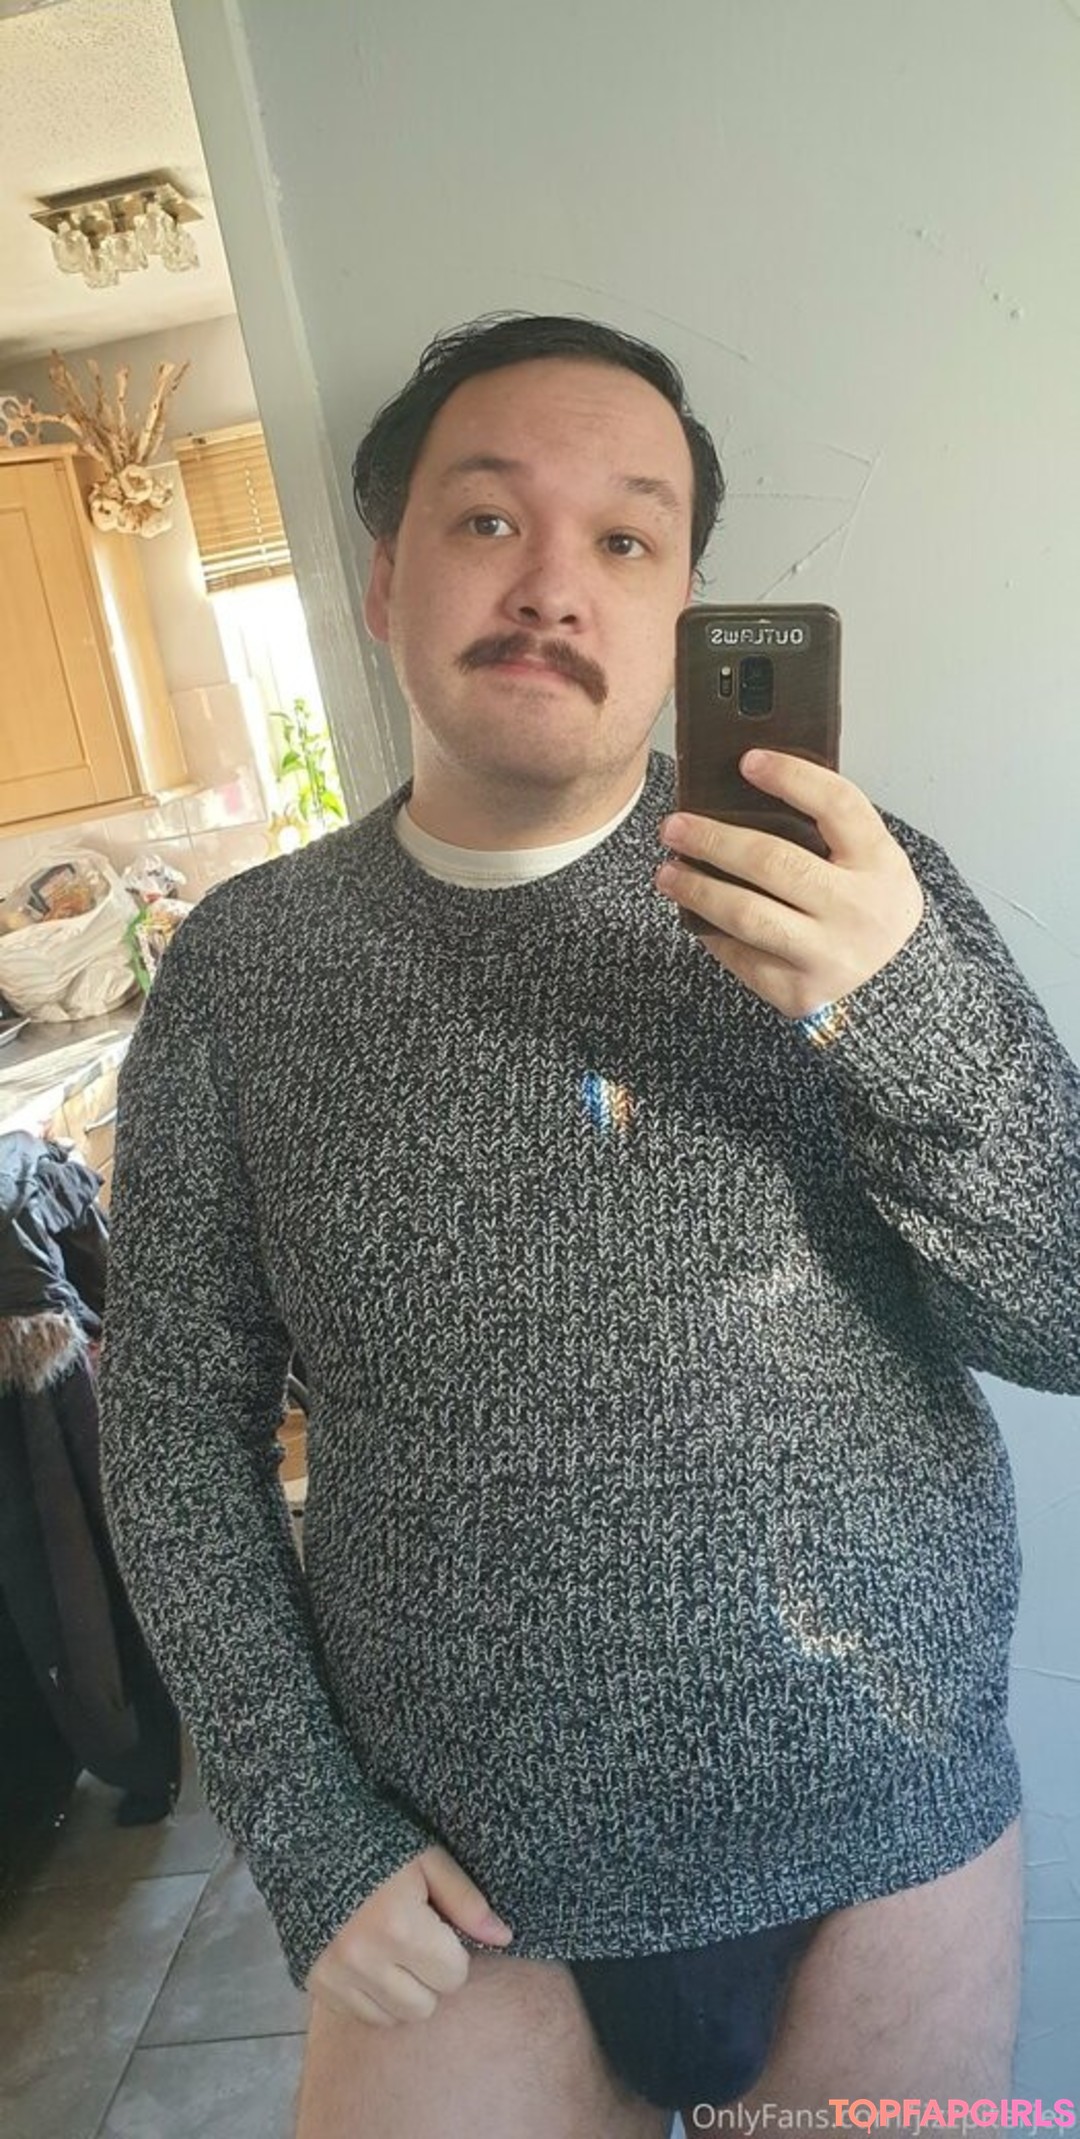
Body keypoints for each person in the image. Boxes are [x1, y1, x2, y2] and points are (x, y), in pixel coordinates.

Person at [97, 312, 1079, 2139]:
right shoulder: (246, 970)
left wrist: (895, 1007)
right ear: (383, 581)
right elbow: (167, 1428)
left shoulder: (863, 895)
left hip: (888, 1839)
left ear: (686, 609)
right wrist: (306, 1834)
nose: (554, 583)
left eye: (626, 538)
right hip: (463, 1888)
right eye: (488, 520)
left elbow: (1069, 1316)